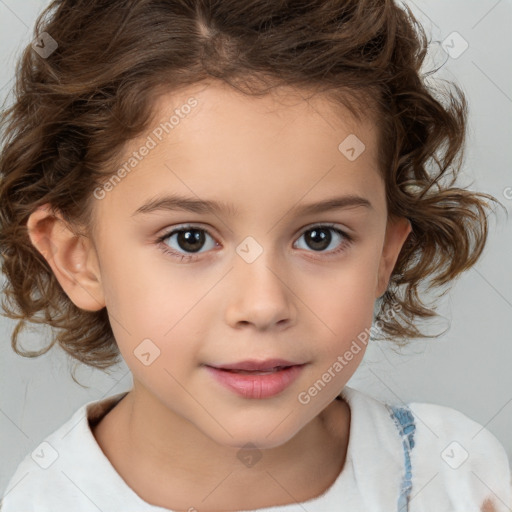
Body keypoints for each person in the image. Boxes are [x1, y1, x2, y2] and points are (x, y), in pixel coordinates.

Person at [0, 0, 510, 511]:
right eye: (190, 239)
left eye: (320, 237)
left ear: (384, 254)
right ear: (77, 257)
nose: (264, 305)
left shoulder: (457, 479)